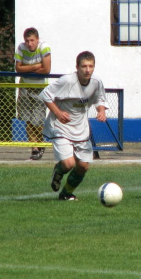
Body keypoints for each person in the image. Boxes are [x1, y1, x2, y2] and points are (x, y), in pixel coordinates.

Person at [40, 51, 108, 201]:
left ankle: (66, 193)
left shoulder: (97, 82)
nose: (87, 70)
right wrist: (58, 113)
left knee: (83, 166)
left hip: (81, 128)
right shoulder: (67, 81)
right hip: (61, 126)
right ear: (77, 67)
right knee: (68, 163)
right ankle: (58, 172)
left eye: (90, 66)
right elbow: (45, 94)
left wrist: (101, 111)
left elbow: (100, 99)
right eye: (84, 66)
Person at [15, 27, 52, 160]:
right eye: (27, 41)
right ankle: (34, 148)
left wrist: (27, 69)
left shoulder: (44, 47)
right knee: (27, 119)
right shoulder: (21, 48)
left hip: (39, 88)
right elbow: (18, 68)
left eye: (32, 40)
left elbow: (47, 69)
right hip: (25, 86)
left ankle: (40, 142)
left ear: (37, 39)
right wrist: (36, 66)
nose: (30, 44)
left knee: (37, 120)